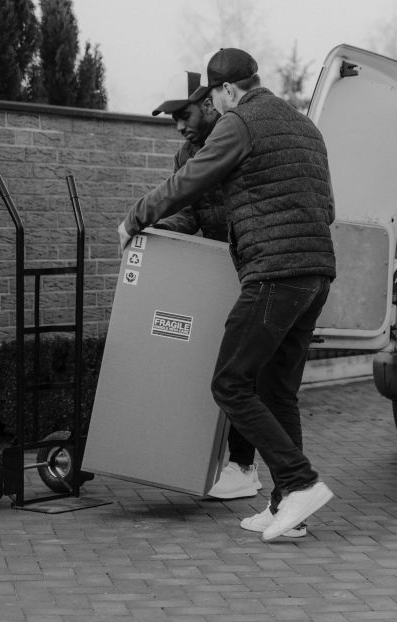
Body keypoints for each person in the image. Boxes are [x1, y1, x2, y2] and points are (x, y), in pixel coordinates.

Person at [118, 48, 336, 541]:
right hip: (316, 274)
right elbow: (327, 206)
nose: (214, 105)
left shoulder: (239, 122)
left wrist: (135, 218)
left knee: (230, 383)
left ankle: (300, 482)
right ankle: (287, 506)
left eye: (214, 96)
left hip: (274, 274)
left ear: (227, 90)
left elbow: (189, 181)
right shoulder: (306, 127)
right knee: (277, 391)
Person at [150, 71, 261, 501]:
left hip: (250, 262)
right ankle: (216, 459)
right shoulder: (186, 153)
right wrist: (159, 228)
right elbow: (189, 211)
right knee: (221, 366)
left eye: (184, 115)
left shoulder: (238, 132)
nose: (179, 126)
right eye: (173, 120)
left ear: (208, 103)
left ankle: (244, 465)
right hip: (216, 267)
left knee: (245, 370)